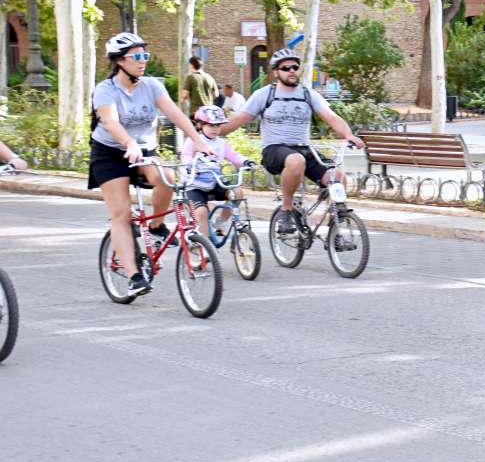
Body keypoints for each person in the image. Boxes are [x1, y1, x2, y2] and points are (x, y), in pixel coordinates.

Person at [90, 33, 214, 297]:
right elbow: (110, 122)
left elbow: (175, 113)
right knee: (122, 214)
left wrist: (198, 141)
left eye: (144, 55)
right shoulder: (105, 89)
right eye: (137, 56)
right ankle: (135, 276)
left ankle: (156, 226)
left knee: (167, 177)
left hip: (144, 151)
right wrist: (128, 143)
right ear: (120, 61)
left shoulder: (151, 86)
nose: (143, 61)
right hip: (109, 153)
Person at [220, 48, 364, 233]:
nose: (291, 71)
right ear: (276, 72)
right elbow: (239, 120)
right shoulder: (264, 95)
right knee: (296, 160)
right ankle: (286, 210)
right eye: (285, 67)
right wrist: (212, 133)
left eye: (295, 67)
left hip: (303, 148)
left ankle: (336, 228)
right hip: (274, 149)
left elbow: (331, 117)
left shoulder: (307, 94)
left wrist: (348, 134)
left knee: (337, 176)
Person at [181, 105, 252, 237]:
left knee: (237, 192)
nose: (215, 129)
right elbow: (185, 156)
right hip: (195, 185)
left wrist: (246, 161)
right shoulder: (194, 140)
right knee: (202, 213)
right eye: (211, 125)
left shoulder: (220, 143)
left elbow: (234, 156)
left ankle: (221, 221)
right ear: (201, 125)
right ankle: (204, 248)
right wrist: (189, 166)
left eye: (218, 125)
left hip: (214, 182)